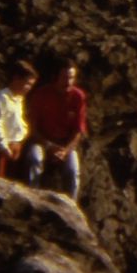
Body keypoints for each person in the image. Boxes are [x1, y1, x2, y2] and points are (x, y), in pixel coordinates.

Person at [26, 57, 89, 201]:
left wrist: (65, 150)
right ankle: (31, 200)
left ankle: (71, 208)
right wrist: (48, 146)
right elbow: (32, 128)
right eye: (65, 77)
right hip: (42, 141)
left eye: (71, 78)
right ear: (56, 77)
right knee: (34, 158)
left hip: (65, 144)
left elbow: (79, 130)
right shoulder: (41, 95)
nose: (68, 82)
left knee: (73, 171)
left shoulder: (78, 97)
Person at [0, 61, 37, 179]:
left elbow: (19, 122)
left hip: (14, 146)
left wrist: (19, 140)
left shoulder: (19, 99)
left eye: (31, 85)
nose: (28, 88)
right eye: (27, 84)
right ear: (16, 78)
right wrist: (4, 147)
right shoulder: (1, 97)